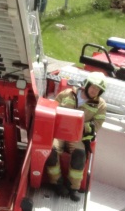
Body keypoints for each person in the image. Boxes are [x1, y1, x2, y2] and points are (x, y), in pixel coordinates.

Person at [45, 73, 107, 202]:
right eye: (93, 87)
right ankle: (57, 184)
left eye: (98, 89)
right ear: (86, 85)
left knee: (80, 154)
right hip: (59, 133)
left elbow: (97, 124)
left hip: (77, 136)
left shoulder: (101, 105)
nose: (94, 91)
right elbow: (52, 111)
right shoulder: (66, 94)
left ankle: (73, 188)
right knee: (51, 151)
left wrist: (79, 126)